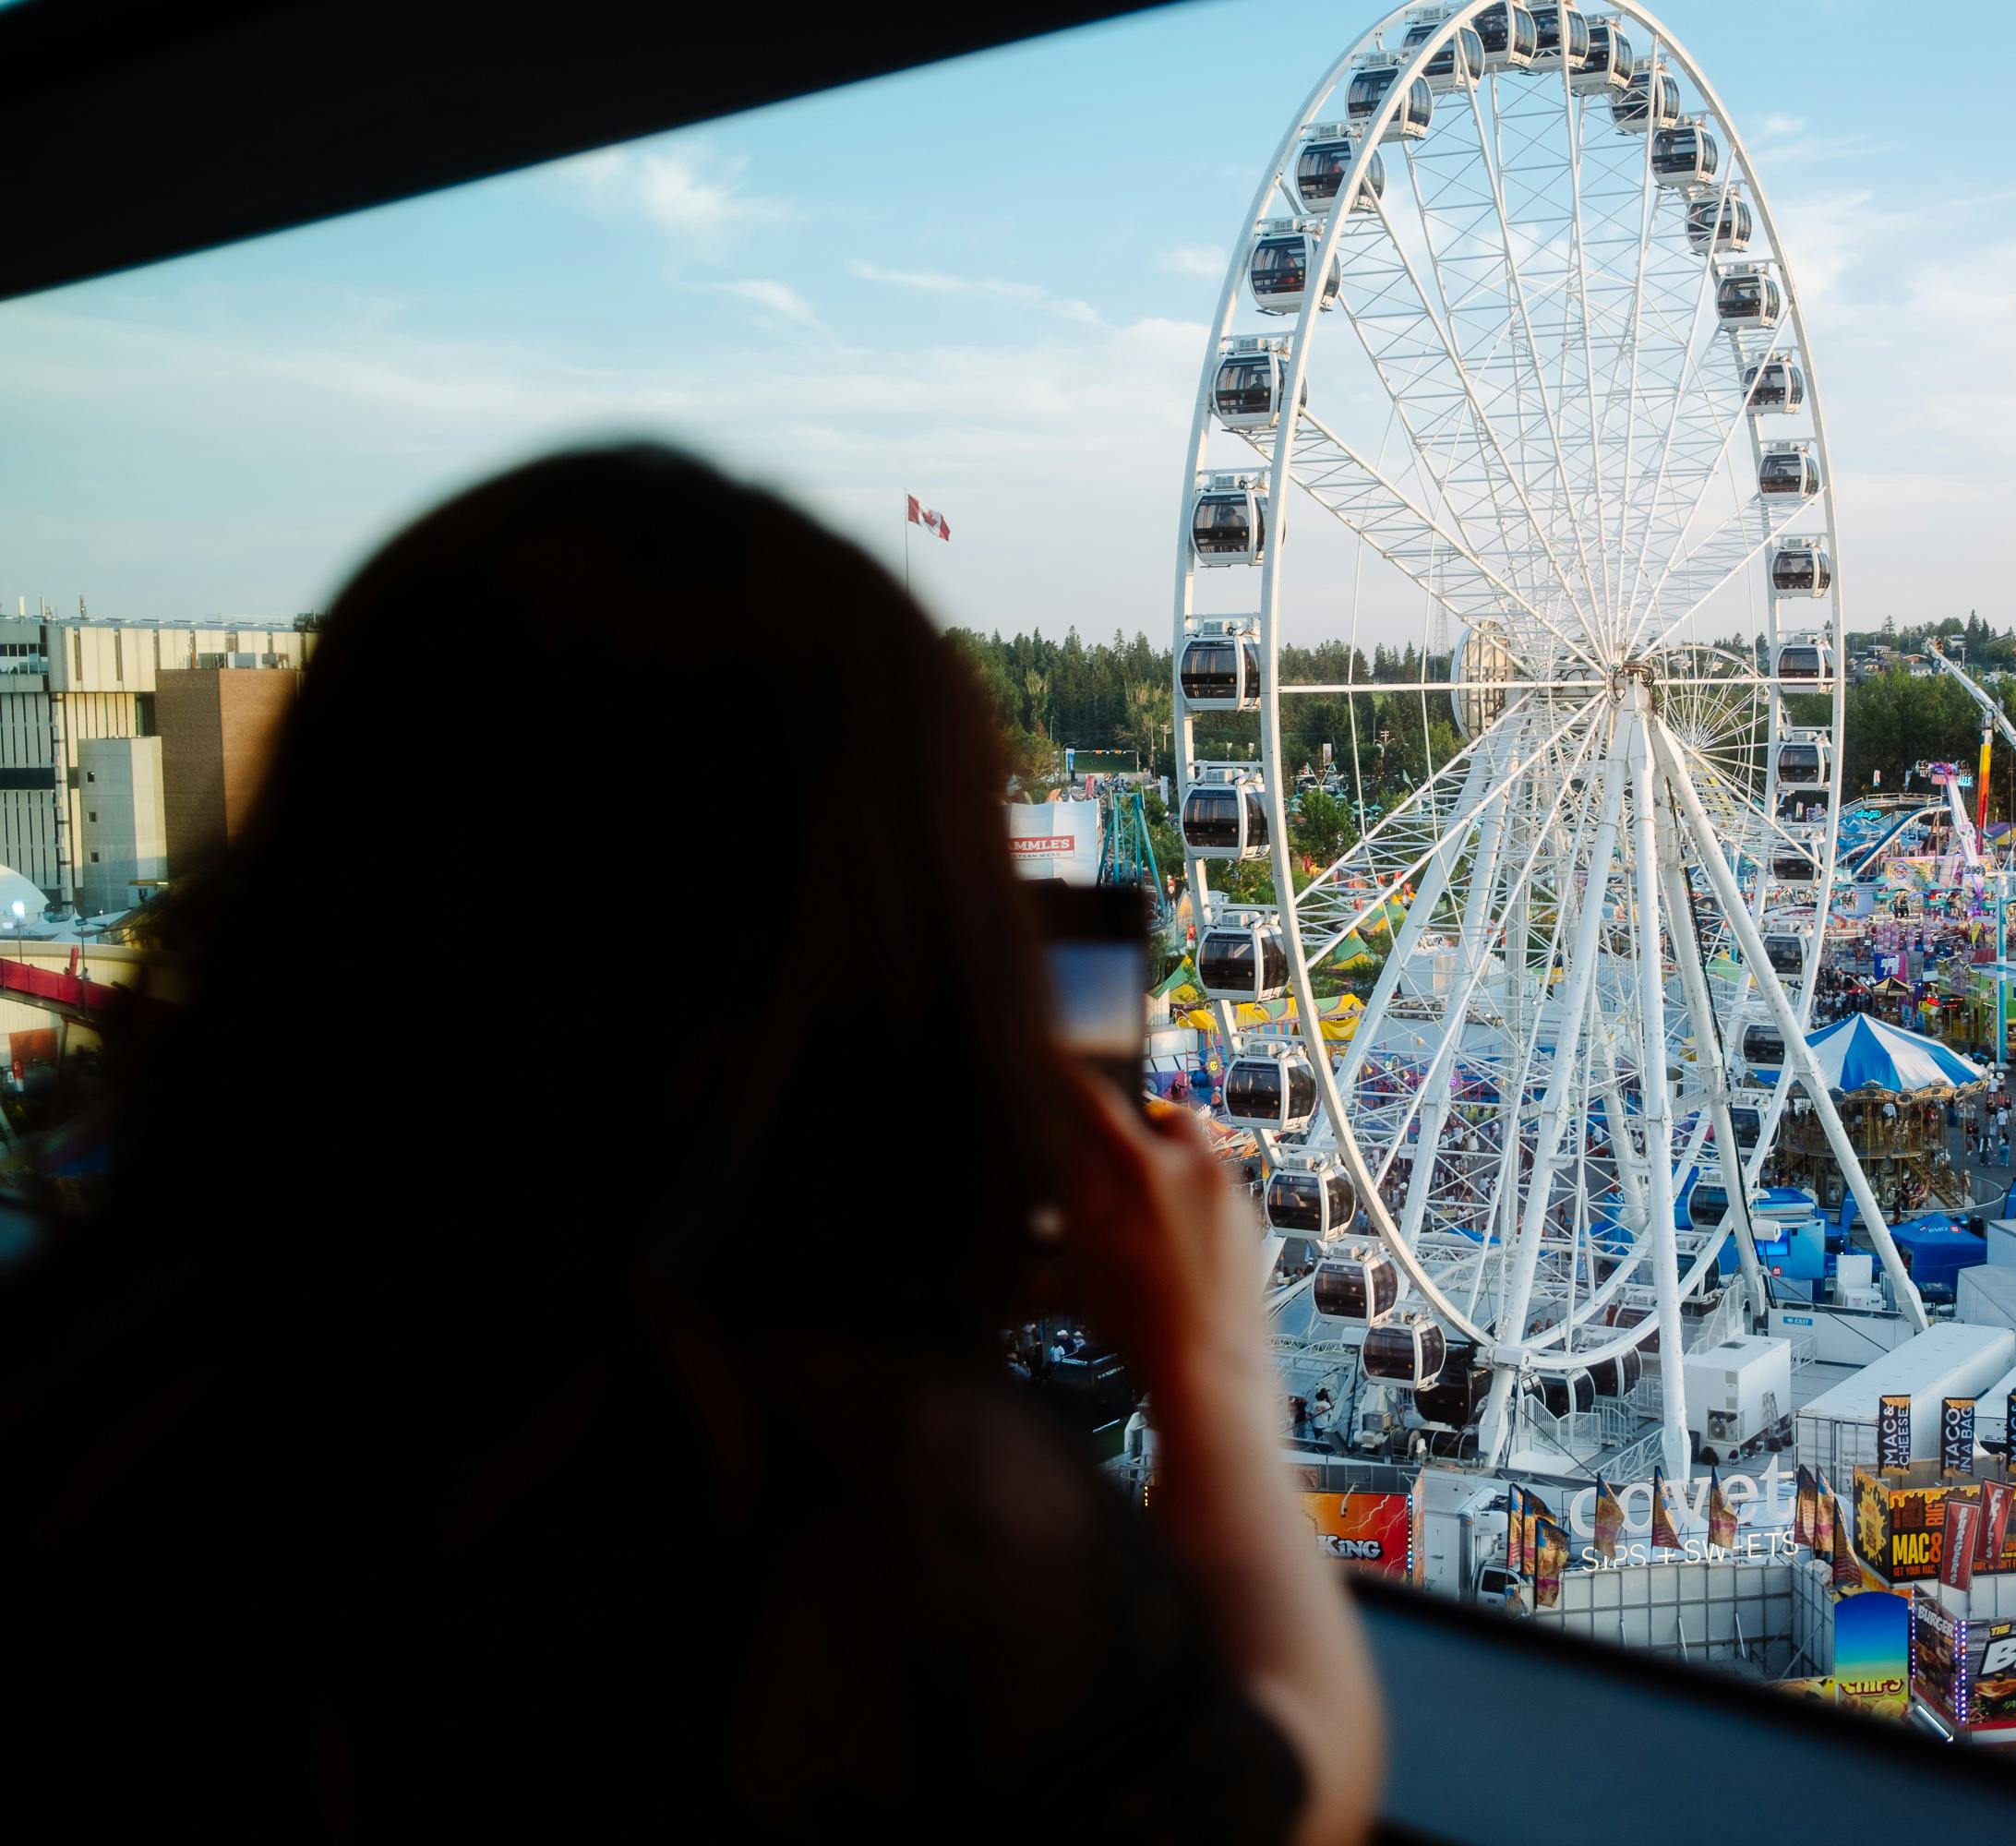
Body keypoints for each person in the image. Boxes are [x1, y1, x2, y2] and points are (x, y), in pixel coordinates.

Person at [0, 448, 1378, 1841]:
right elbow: (1298, 1788)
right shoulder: (886, 1528)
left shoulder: (96, 1379)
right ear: (902, 973)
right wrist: (1213, 1375)